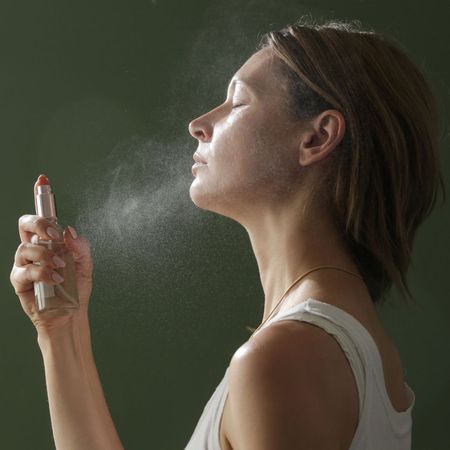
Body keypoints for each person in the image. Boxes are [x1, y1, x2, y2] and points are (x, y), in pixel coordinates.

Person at [10, 16, 445, 450]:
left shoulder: (285, 358)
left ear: (317, 137)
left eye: (238, 102)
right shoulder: (334, 342)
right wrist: (61, 329)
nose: (198, 124)